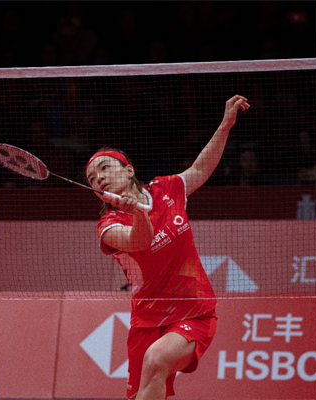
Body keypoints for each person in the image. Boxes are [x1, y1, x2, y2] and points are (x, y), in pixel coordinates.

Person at [85, 95, 250, 400]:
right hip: (147, 320)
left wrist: (225, 125)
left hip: (194, 311)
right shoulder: (108, 225)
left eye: (105, 168)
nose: (99, 179)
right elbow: (139, 241)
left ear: (129, 170)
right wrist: (137, 213)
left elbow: (200, 170)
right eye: (92, 179)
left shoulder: (167, 189)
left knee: (156, 359)